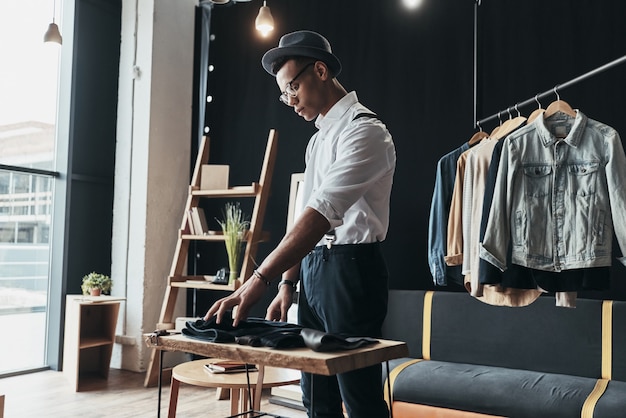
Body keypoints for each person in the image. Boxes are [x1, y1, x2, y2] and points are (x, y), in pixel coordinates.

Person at [204, 30, 396, 418]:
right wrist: (289, 284)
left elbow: (319, 215)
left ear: (320, 70)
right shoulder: (317, 140)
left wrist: (258, 280)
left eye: (293, 87)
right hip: (313, 272)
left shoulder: (366, 132)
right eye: (283, 93)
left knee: (359, 397)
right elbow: (304, 216)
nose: (290, 101)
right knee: (315, 396)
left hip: (352, 272)